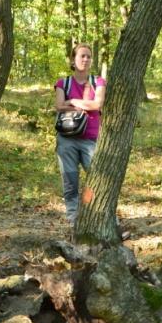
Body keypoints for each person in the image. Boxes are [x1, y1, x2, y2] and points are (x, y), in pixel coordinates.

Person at [54, 43, 106, 225]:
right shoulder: (63, 83)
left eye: (88, 56)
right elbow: (59, 105)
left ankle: (102, 216)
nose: (85, 59)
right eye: (81, 56)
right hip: (67, 139)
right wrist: (82, 105)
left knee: (98, 180)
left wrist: (73, 101)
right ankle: (73, 218)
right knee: (70, 181)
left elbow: (96, 105)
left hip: (90, 139)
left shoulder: (98, 82)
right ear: (73, 60)